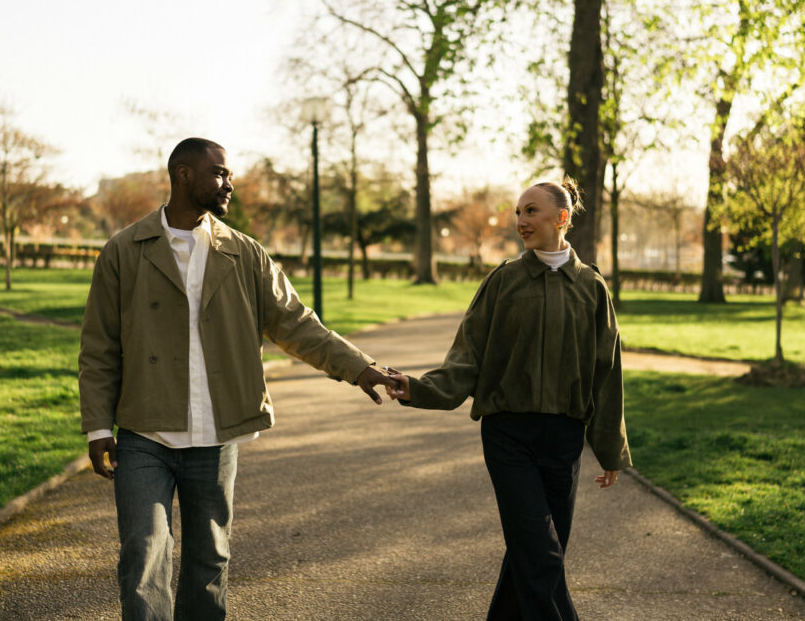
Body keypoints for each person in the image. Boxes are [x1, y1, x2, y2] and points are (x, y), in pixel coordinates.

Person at [79, 137, 398, 620]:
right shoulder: (125, 250)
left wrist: (358, 367)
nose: (230, 184)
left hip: (217, 433)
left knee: (209, 558)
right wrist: (99, 426)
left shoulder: (245, 254)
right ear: (184, 175)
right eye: (220, 174)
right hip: (146, 431)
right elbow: (100, 345)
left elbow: (295, 322)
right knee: (144, 555)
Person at [385, 178, 631, 621]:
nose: (520, 221)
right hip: (508, 435)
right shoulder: (504, 280)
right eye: (518, 211)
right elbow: (467, 356)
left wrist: (610, 448)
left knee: (532, 554)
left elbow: (606, 373)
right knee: (541, 555)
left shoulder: (592, 288)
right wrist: (419, 388)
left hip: (563, 437)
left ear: (562, 218)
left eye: (531, 211)